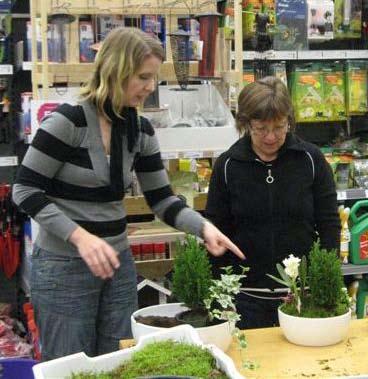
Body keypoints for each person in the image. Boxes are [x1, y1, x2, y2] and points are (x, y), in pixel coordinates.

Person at [12, 27, 244, 361]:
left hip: (117, 266)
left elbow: (162, 200)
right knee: (69, 365)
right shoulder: (66, 123)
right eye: (143, 77)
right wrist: (80, 237)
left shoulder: (140, 131)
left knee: (119, 360)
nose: (150, 87)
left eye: (154, 78)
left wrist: (204, 227)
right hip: (63, 267)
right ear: (115, 70)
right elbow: (25, 190)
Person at [205, 76, 340, 329]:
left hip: (302, 297)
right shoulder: (228, 166)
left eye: (279, 127)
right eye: (261, 129)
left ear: (289, 120)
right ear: (246, 123)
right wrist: (221, 295)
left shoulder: (311, 160)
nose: (270, 137)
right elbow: (216, 231)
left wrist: (327, 281)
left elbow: (329, 224)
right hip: (245, 299)